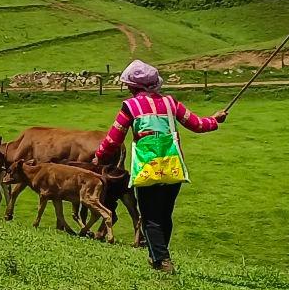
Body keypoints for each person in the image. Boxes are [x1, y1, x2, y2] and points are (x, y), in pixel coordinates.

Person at [93, 60, 224, 272]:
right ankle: (158, 257)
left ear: (133, 87)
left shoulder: (130, 106)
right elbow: (198, 124)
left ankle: (162, 260)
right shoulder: (171, 103)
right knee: (164, 214)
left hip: (147, 168)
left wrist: (99, 157)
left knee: (150, 216)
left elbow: (113, 139)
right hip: (173, 166)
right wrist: (215, 120)